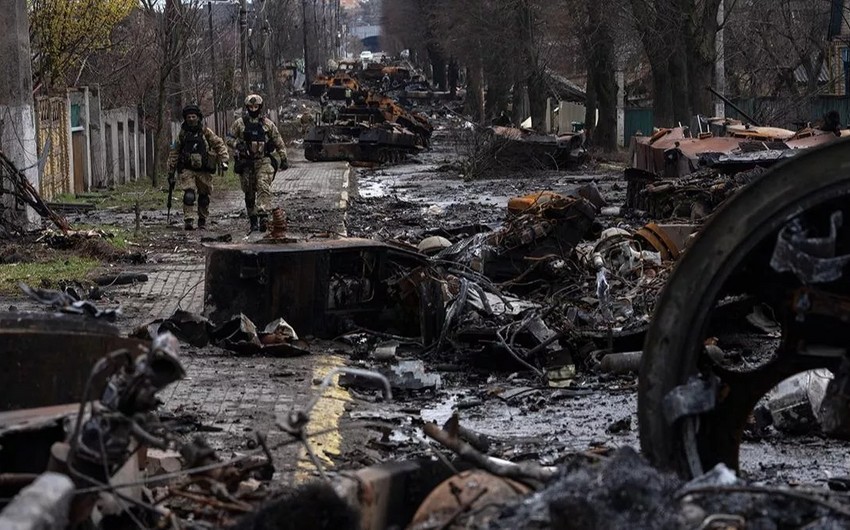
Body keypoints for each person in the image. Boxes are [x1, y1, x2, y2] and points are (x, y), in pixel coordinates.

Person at [227, 94, 289, 232]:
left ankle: (263, 216)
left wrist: (283, 158)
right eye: (250, 107)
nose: (253, 109)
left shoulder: (267, 124)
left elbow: (278, 140)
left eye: (256, 107)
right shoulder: (239, 123)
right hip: (246, 162)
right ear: (247, 107)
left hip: (263, 161)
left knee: (263, 186)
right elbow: (229, 138)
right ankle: (253, 219)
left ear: (260, 107)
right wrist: (238, 145)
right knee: (249, 192)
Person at [167, 104, 229, 230]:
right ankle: (189, 220)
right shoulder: (182, 134)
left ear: (198, 117)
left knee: (204, 196)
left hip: (203, 169)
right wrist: (171, 170)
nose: (191, 119)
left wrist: (224, 159)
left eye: (193, 116)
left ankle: (202, 219)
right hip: (187, 168)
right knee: (189, 194)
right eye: (189, 117)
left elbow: (219, 144)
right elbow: (174, 151)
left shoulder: (205, 132)